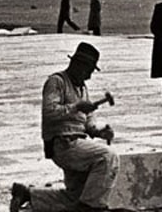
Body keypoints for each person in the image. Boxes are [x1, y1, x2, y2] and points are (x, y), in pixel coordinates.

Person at [10, 42, 117, 212]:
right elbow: (50, 112)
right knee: (107, 157)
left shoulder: (82, 88)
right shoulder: (56, 82)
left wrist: (98, 132)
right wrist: (76, 106)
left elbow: (87, 121)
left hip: (78, 143)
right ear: (79, 65)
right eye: (88, 71)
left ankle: (28, 195)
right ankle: (91, 208)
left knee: (74, 198)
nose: (89, 77)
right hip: (62, 143)